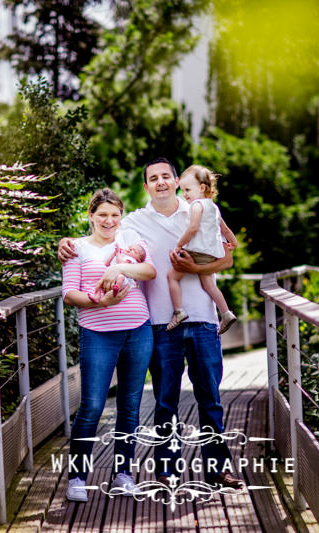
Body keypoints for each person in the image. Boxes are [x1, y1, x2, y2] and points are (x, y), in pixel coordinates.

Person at [59, 158, 244, 490]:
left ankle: (218, 469)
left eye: (166, 176)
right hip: (160, 322)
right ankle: (167, 469)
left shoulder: (200, 211)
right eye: (152, 178)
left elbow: (228, 258)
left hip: (202, 317)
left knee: (210, 399)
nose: (160, 182)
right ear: (146, 187)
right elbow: (105, 233)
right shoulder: (134, 222)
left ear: (176, 181)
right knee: (164, 401)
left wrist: (193, 268)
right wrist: (66, 244)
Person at [61, 188, 157, 503]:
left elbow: (150, 272)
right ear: (91, 215)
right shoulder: (76, 248)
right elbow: (69, 294)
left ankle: (124, 474)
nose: (109, 220)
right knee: (91, 406)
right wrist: (101, 301)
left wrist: (118, 268)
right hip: (97, 333)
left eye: (115, 215)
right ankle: (77, 477)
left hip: (138, 331)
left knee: (130, 406)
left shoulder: (129, 243)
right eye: (102, 214)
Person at [167, 164, 238, 334]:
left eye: (187, 190)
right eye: (183, 191)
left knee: (172, 277)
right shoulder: (214, 207)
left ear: (202, 188)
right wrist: (233, 243)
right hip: (210, 255)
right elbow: (225, 230)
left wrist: (178, 245)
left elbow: (192, 229)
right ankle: (226, 313)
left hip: (196, 252)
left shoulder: (196, 206)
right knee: (208, 284)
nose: (184, 195)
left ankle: (179, 311)